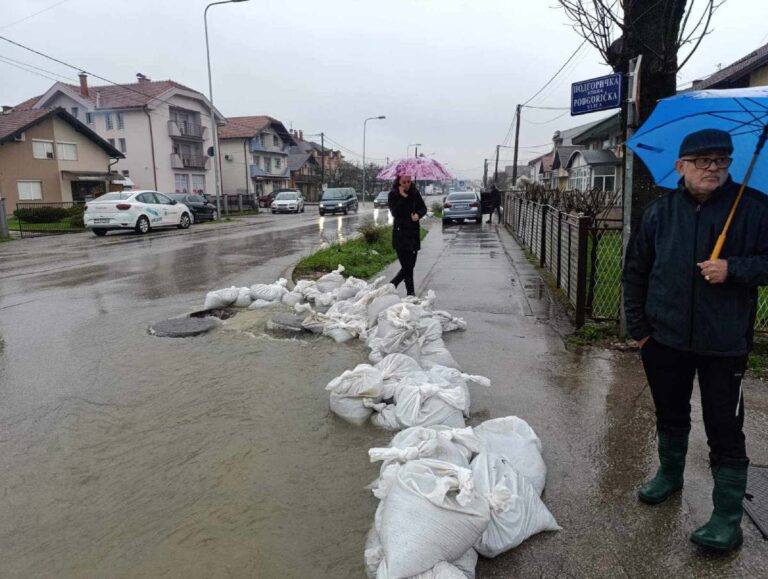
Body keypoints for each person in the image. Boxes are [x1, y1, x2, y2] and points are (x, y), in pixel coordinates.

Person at [623, 128, 768, 552]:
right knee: (670, 413)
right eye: (703, 161)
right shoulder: (659, 213)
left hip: (723, 344)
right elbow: (635, 272)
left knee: (725, 428)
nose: (713, 169)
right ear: (680, 166)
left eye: (721, 161)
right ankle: (669, 476)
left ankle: (726, 518)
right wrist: (641, 332)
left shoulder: (754, 209)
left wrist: (734, 269)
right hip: (664, 339)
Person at [388, 171, 427, 296]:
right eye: (404, 182)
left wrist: (418, 215)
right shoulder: (393, 194)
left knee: (410, 266)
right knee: (407, 267)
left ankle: (393, 284)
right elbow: (394, 212)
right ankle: (411, 294)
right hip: (400, 235)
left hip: (413, 234)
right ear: (398, 182)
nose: (407, 184)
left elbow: (423, 208)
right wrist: (402, 197)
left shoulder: (415, 193)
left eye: (409, 181)